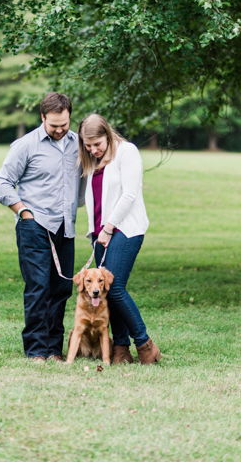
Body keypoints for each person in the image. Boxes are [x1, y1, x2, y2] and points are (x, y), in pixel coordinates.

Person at [0, 92, 84, 363]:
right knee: (38, 287)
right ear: (43, 117)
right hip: (34, 226)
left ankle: (55, 349)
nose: (59, 130)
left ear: (70, 117)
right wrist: (24, 213)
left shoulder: (78, 144)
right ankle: (36, 350)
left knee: (61, 289)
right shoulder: (25, 145)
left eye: (64, 125)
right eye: (54, 125)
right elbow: (2, 184)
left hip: (66, 228)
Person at [77, 113, 161, 365]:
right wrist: (96, 231)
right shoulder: (93, 160)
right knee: (103, 290)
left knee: (114, 288)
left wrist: (108, 228)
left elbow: (129, 194)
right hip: (99, 233)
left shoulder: (127, 152)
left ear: (108, 135)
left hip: (124, 229)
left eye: (97, 144)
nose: (93, 150)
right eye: (88, 145)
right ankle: (121, 350)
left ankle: (145, 345)